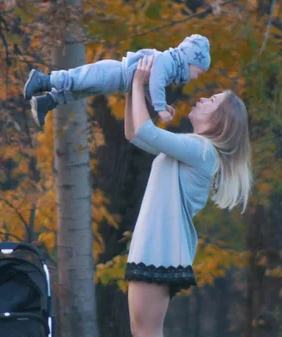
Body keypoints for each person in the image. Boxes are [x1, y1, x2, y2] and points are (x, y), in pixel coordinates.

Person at [123, 55, 252, 337]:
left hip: (159, 249)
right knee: (141, 330)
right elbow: (134, 134)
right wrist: (133, 90)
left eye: (212, 101)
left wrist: (136, 83)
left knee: (145, 332)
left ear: (220, 120)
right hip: (152, 246)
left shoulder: (203, 151)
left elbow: (145, 129)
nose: (203, 99)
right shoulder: (191, 149)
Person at [23, 34, 211, 127]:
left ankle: (46, 102)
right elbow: (155, 83)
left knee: (81, 91)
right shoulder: (167, 61)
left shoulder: (169, 69)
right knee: (79, 79)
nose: (196, 77)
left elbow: (148, 84)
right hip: (115, 73)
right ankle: (43, 80)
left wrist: (159, 103)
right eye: (198, 72)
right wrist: (160, 107)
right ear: (189, 61)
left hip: (117, 82)